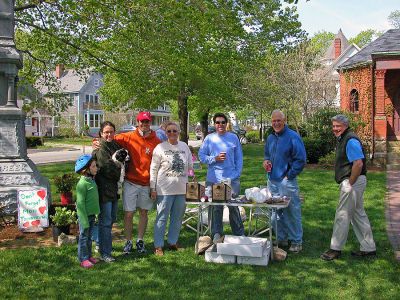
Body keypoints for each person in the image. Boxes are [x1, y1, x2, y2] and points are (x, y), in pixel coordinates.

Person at [92, 111, 160, 255]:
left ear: (150, 122)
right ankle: (128, 241)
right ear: (138, 122)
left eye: (147, 121)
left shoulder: (156, 141)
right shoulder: (128, 137)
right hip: (131, 181)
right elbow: (108, 138)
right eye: (142, 121)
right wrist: (96, 141)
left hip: (147, 182)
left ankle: (140, 240)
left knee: (143, 213)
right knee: (128, 214)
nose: (144, 124)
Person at [321, 114, 376, 261]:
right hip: (356, 181)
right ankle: (369, 248)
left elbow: (358, 164)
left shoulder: (350, 140)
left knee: (342, 214)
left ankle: (335, 249)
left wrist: (350, 183)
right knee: (358, 214)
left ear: (345, 126)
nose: (335, 129)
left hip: (353, 181)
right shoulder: (345, 138)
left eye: (338, 126)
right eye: (333, 126)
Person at [263, 109, 306, 253]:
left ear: (284, 120)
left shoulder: (293, 137)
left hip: (286, 181)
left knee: (291, 211)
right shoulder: (270, 137)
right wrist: (266, 162)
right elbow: (267, 155)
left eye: (279, 120)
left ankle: (296, 241)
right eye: (274, 121)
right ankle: (281, 238)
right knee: (275, 213)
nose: (276, 123)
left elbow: (301, 159)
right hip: (272, 181)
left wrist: (289, 175)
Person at [199, 112, 245, 243]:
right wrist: (215, 158)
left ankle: (239, 233)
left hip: (232, 178)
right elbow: (202, 156)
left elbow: (239, 157)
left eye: (223, 122)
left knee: (233, 206)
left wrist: (237, 174)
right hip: (214, 179)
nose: (220, 125)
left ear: (227, 124)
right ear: (214, 124)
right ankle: (217, 234)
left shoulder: (233, 137)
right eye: (217, 122)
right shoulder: (209, 138)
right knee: (216, 207)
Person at [150, 121, 194, 256]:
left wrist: (192, 174)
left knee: (177, 217)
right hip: (164, 189)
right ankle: (158, 245)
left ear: (179, 132)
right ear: (165, 133)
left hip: (181, 189)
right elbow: (153, 169)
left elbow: (190, 165)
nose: (172, 133)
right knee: (162, 217)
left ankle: (173, 241)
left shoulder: (184, 146)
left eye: (175, 131)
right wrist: (153, 187)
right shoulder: (160, 147)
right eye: (169, 131)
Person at [92, 121, 123, 262]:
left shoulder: (115, 145)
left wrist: (118, 165)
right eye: (106, 132)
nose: (109, 134)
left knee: (110, 219)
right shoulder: (100, 148)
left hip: (114, 189)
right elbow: (106, 168)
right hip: (104, 188)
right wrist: (119, 169)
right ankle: (105, 253)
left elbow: (123, 160)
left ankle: (99, 243)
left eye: (111, 131)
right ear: (101, 133)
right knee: (105, 221)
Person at [75, 154, 100, 268]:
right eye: (94, 166)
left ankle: (88, 256)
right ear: (86, 169)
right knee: (83, 237)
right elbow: (80, 204)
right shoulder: (82, 184)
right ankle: (83, 259)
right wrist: (83, 220)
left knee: (89, 238)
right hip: (84, 216)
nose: (96, 168)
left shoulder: (91, 181)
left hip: (91, 215)